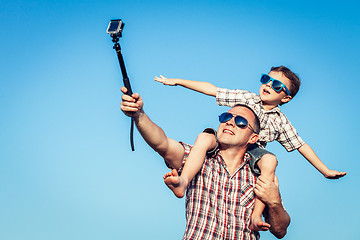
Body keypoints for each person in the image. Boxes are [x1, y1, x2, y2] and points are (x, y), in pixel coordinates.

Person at [154, 66, 346, 231]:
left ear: (285, 98)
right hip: (226, 142)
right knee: (204, 138)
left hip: (252, 154)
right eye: (266, 79)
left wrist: (325, 171)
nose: (269, 85)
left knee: (270, 161)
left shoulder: (281, 122)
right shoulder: (246, 98)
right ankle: (183, 182)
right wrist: (177, 81)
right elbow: (213, 90)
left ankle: (256, 217)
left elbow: (301, 145)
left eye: (277, 85)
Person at [120, 87, 290, 239]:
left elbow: (280, 231)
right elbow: (162, 143)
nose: (230, 122)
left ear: (253, 138)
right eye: (226, 117)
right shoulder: (198, 157)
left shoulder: (260, 172)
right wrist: (139, 114)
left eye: (241, 122)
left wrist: (275, 203)